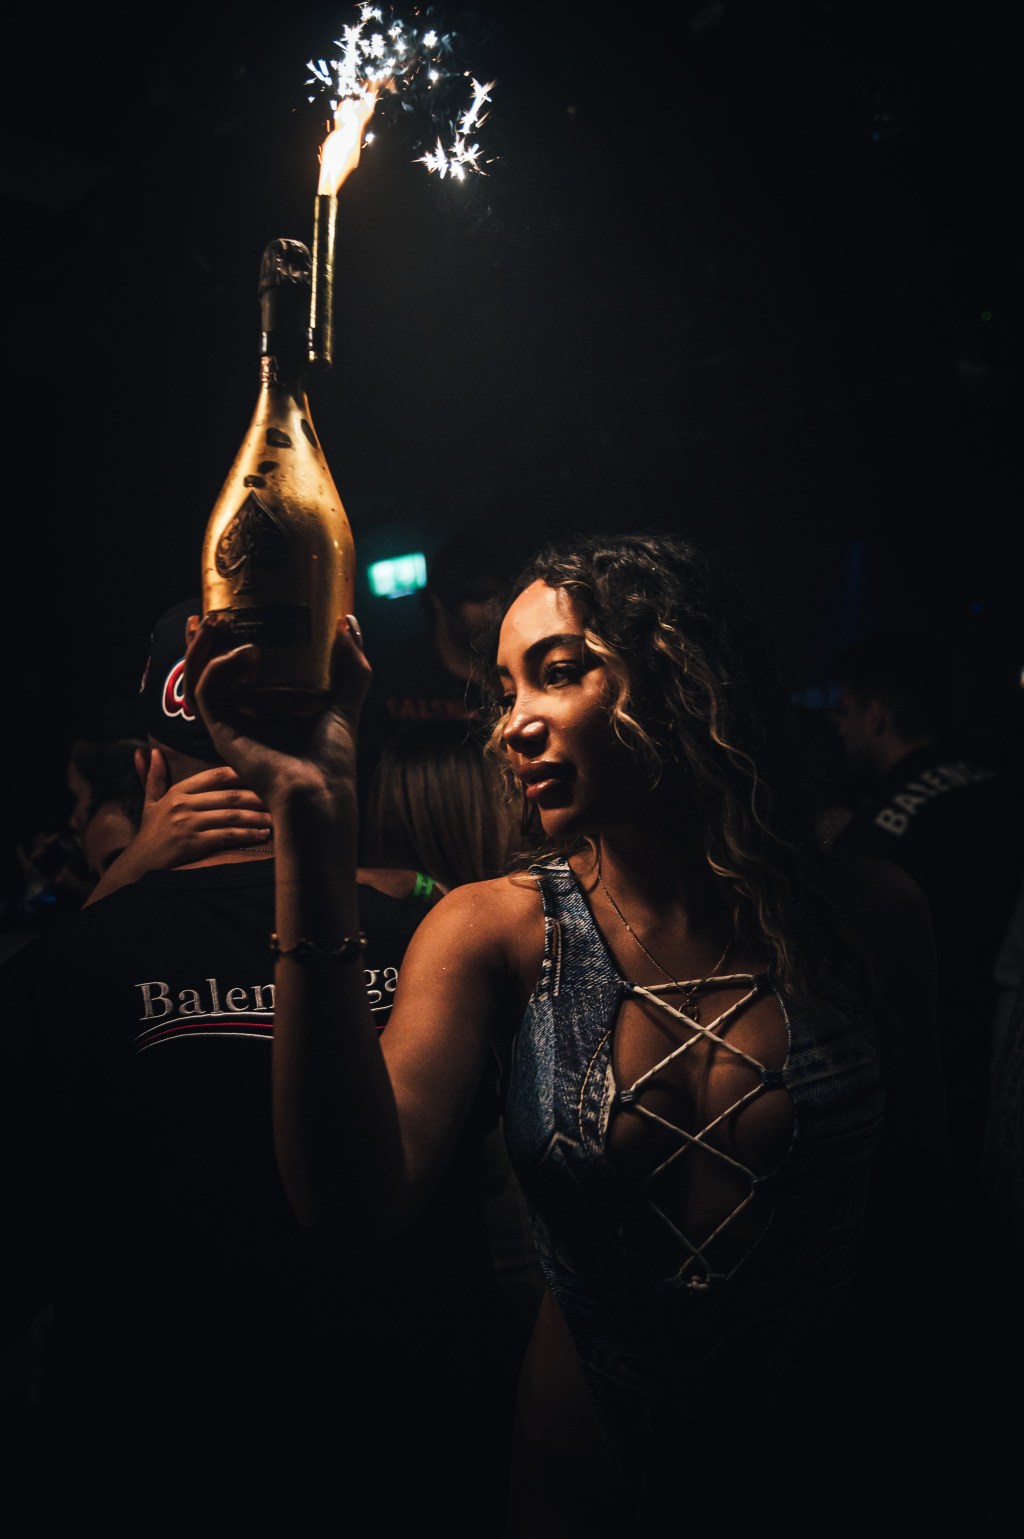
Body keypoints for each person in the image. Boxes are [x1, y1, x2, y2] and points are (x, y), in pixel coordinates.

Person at [188, 531, 949, 1531]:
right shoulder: (493, 931)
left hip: (827, 1476)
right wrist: (309, 818)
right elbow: (350, 1204)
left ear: (679, 675)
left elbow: (928, 1217)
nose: (515, 723)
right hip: (580, 1490)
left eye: (556, 672)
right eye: (504, 691)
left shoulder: (869, 916)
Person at [0, 600, 514, 1525]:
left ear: (151, 769)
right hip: (412, 1462)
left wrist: (108, 903)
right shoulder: (437, 943)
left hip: (152, 1469)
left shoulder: (63, 973)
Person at [831, 629, 1024, 1211]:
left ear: (875, 715)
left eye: (846, 713)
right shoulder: (1002, 794)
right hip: (997, 1060)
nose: (840, 729)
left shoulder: (879, 837)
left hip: (925, 1070)